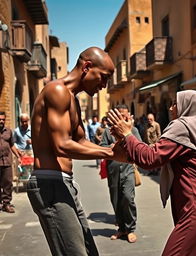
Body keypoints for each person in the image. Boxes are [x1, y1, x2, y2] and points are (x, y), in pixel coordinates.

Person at [108, 90, 196, 256]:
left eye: (175, 104)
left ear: (189, 107)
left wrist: (128, 135)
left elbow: (150, 158)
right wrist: (125, 140)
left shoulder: (183, 126)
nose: (171, 108)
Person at [27, 47, 117, 256]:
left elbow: (81, 141)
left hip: (63, 183)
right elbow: (62, 144)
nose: (104, 86)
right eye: (103, 78)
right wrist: (109, 154)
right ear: (86, 67)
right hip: (49, 184)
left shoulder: (73, 99)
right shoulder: (56, 91)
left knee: (88, 252)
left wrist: (110, 149)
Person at [100, 104, 141, 243]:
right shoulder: (108, 132)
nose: (123, 118)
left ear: (128, 115)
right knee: (116, 199)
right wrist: (110, 148)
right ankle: (122, 228)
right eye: (120, 115)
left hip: (128, 170)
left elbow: (140, 147)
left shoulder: (133, 130)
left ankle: (131, 229)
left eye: (125, 115)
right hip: (113, 171)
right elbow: (102, 147)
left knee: (128, 198)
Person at [0, 111, 21, 213]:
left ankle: (6, 204)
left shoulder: (8, 131)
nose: (1, 121)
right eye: (0, 119)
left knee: (8, 183)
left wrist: (18, 155)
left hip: (7, 162)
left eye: (3, 119)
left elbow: (12, 145)